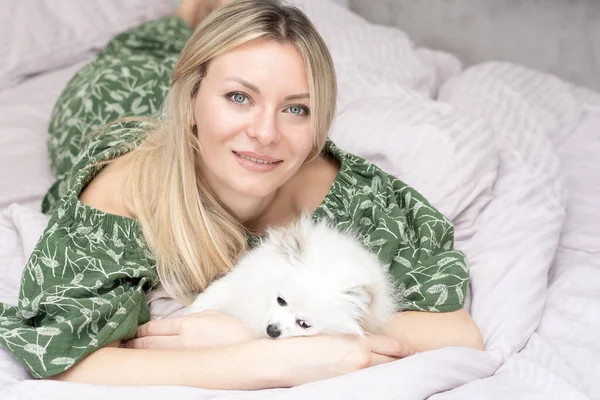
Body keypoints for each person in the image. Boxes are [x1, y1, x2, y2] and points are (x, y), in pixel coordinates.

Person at [0, 0, 483, 390]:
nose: (265, 133)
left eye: (295, 108)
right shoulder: (125, 192)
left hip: (188, 109)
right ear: (190, 99)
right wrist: (267, 361)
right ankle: (193, 12)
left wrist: (258, 327)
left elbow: (458, 333)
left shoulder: (352, 197)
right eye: (240, 97)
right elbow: (62, 355)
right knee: (148, 49)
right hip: (111, 102)